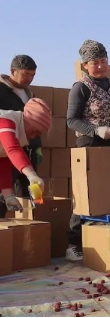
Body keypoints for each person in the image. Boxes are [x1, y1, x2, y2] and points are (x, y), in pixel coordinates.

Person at [65, 39, 110, 262]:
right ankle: (73, 243)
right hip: (90, 145)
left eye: (104, 61)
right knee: (87, 192)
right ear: (85, 65)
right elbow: (72, 120)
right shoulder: (80, 88)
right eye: (95, 62)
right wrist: (95, 130)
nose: (100, 66)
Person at [0, 55, 43, 217]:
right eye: (26, 74)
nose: (29, 79)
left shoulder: (29, 94)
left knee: (26, 191)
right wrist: (31, 174)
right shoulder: (2, 95)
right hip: (10, 143)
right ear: (13, 71)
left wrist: (37, 145)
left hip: (22, 148)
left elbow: (2, 156)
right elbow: (10, 148)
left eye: (32, 75)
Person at [0, 98, 51, 212]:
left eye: (38, 134)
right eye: (34, 131)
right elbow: (12, 149)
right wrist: (31, 175)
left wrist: (8, 195)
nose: (33, 136)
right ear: (26, 120)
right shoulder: (6, 121)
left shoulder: (16, 132)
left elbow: (3, 161)